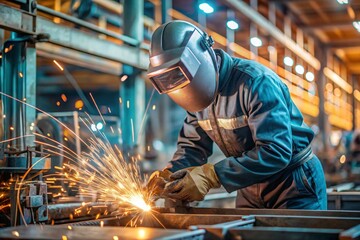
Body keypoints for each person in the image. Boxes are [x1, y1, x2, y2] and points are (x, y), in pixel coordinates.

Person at [146, 20, 327, 209]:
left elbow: (276, 151)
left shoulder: (256, 82)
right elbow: (192, 148)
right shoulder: (197, 98)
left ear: (203, 56)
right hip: (248, 185)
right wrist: (170, 174)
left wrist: (212, 175)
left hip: (292, 183)